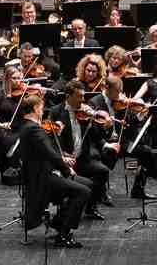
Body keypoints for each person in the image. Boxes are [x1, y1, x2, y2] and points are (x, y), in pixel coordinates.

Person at [16, 95, 91, 247]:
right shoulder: (33, 129)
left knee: (87, 184)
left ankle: (58, 222)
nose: (43, 111)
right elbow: (50, 154)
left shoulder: (29, 127)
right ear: (36, 108)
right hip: (42, 179)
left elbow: (46, 151)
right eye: (41, 108)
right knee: (83, 191)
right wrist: (66, 170)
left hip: (45, 173)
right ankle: (63, 235)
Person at [45, 80, 109, 219]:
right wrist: (62, 155)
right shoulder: (56, 112)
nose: (83, 99)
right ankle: (64, 212)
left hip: (82, 158)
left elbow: (97, 137)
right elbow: (52, 140)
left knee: (103, 171)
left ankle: (91, 207)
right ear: (68, 96)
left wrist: (99, 123)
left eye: (83, 96)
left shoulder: (86, 113)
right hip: (65, 160)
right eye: (79, 96)